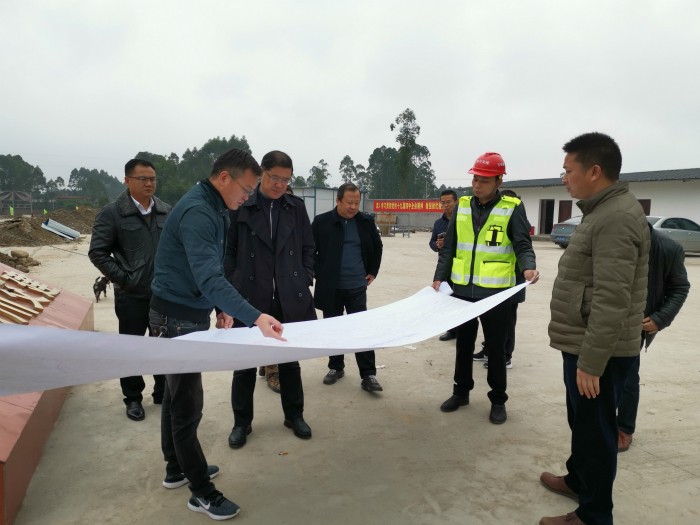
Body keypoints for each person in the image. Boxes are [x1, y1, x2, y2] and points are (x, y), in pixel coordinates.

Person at [149, 148, 285, 521]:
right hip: (175, 318)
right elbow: (208, 276)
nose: (248, 197)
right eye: (246, 189)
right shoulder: (199, 212)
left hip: (186, 311)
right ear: (224, 178)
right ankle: (202, 492)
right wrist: (255, 317)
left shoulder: (217, 207)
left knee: (175, 396)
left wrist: (220, 307)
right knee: (186, 406)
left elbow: (209, 271)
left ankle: (176, 468)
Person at [540, 132, 650, 525]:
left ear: (594, 171)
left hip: (599, 351)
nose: (564, 178)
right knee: (583, 424)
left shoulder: (616, 217)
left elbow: (612, 298)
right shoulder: (601, 211)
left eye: (568, 170)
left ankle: (594, 514)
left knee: (597, 432)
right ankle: (579, 480)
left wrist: (591, 362)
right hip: (584, 342)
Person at [432, 152, 538, 425]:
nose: (477, 185)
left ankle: (498, 400)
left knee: (496, 349)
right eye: (475, 179)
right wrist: (439, 277)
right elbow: (450, 247)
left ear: (499, 181)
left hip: (495, 294)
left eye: (484, 180)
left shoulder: (512, 208)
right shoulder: (463, 206)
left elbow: (522, 244)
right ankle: (461, 392)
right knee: (463, 346)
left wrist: (528, 267)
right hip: (462, 291)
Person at [224, 151, 315, 449]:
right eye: (275, 177)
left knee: (290, 362)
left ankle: (294, 415)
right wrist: (233, 286)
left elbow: (308, 246)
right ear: (262, 173)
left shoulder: (295, 208)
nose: (279, 185)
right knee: (244, 364)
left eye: (286, 180)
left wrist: (304, 276)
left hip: (288, 294)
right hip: (250, 297)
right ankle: (242, 422)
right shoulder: (242, 205)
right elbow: (228, 252)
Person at [88, 158, 170, 421]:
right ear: (127, 181)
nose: (149, 183)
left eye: (152, 179)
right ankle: (133, 398)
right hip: (131, 296)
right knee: (131, 348)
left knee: (163, 345)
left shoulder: (165, 211)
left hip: (163, 295)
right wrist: (125, 279)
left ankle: (162, 391)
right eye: (142, 179)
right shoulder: (112, 213)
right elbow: (98, 252)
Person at [617, 224, 689, 452]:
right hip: (602, 316)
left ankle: (624, 428)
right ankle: (598, 422)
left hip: (636, 324)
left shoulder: (668, 248)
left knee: (627, 376)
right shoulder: (610, 238)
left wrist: (661, 318)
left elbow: (679, 287)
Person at [312, 182, 384, 392]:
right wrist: (320, 272)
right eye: (349, 203)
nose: (353, 207)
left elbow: (377, 246)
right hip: (331, 287)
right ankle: (336, 367)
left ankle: (368, 374)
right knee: (333, 329)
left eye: (356, 203)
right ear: (338, 201)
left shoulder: (365, 222)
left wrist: (373, 271)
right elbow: (308, 250)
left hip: (356, 286)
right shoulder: (322, 222)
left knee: (361, 330)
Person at [478, 188, 529, 370]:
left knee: (507, 321)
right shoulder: (493, 221)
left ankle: (506, 355)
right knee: (490, 319)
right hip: (493, 281)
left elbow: (523, 251)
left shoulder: (518, 223)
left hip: (511, 281)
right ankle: (488, 349)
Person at [429, 189, 459, 342]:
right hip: (445, 266)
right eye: (443, 203)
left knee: (461, 299)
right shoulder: (438, 223)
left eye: (449, 202)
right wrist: (438, 245)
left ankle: (462, 330)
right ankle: (451, 329)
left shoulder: (463, 220)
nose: (446, 205)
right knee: (447, 299)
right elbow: (431, 243)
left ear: (456, 202)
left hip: (461, 265)